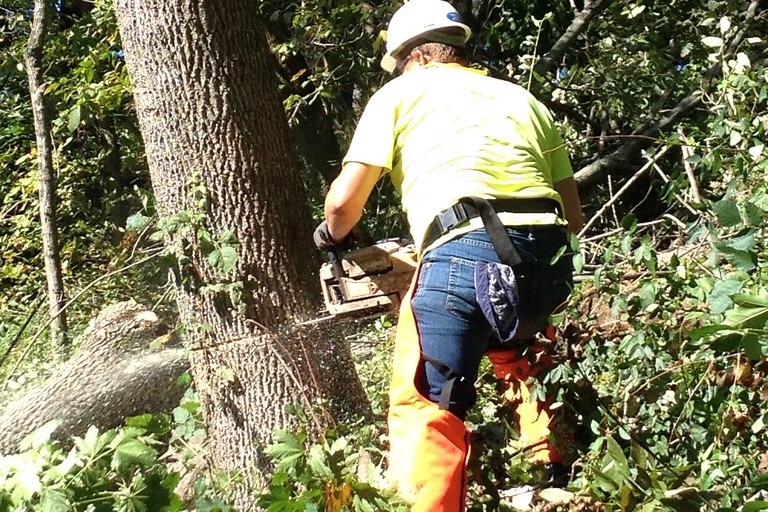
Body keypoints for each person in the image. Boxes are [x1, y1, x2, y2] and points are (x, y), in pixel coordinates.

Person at [313, 0, 584, 510]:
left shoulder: (401, 93)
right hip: (547, 262)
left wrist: (329, 236)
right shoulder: (521, 98)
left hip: (462, 249)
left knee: (426, 407)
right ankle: (558, 481)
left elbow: (343, 204)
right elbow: (573, 214)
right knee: (521, 358)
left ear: (411, 58)